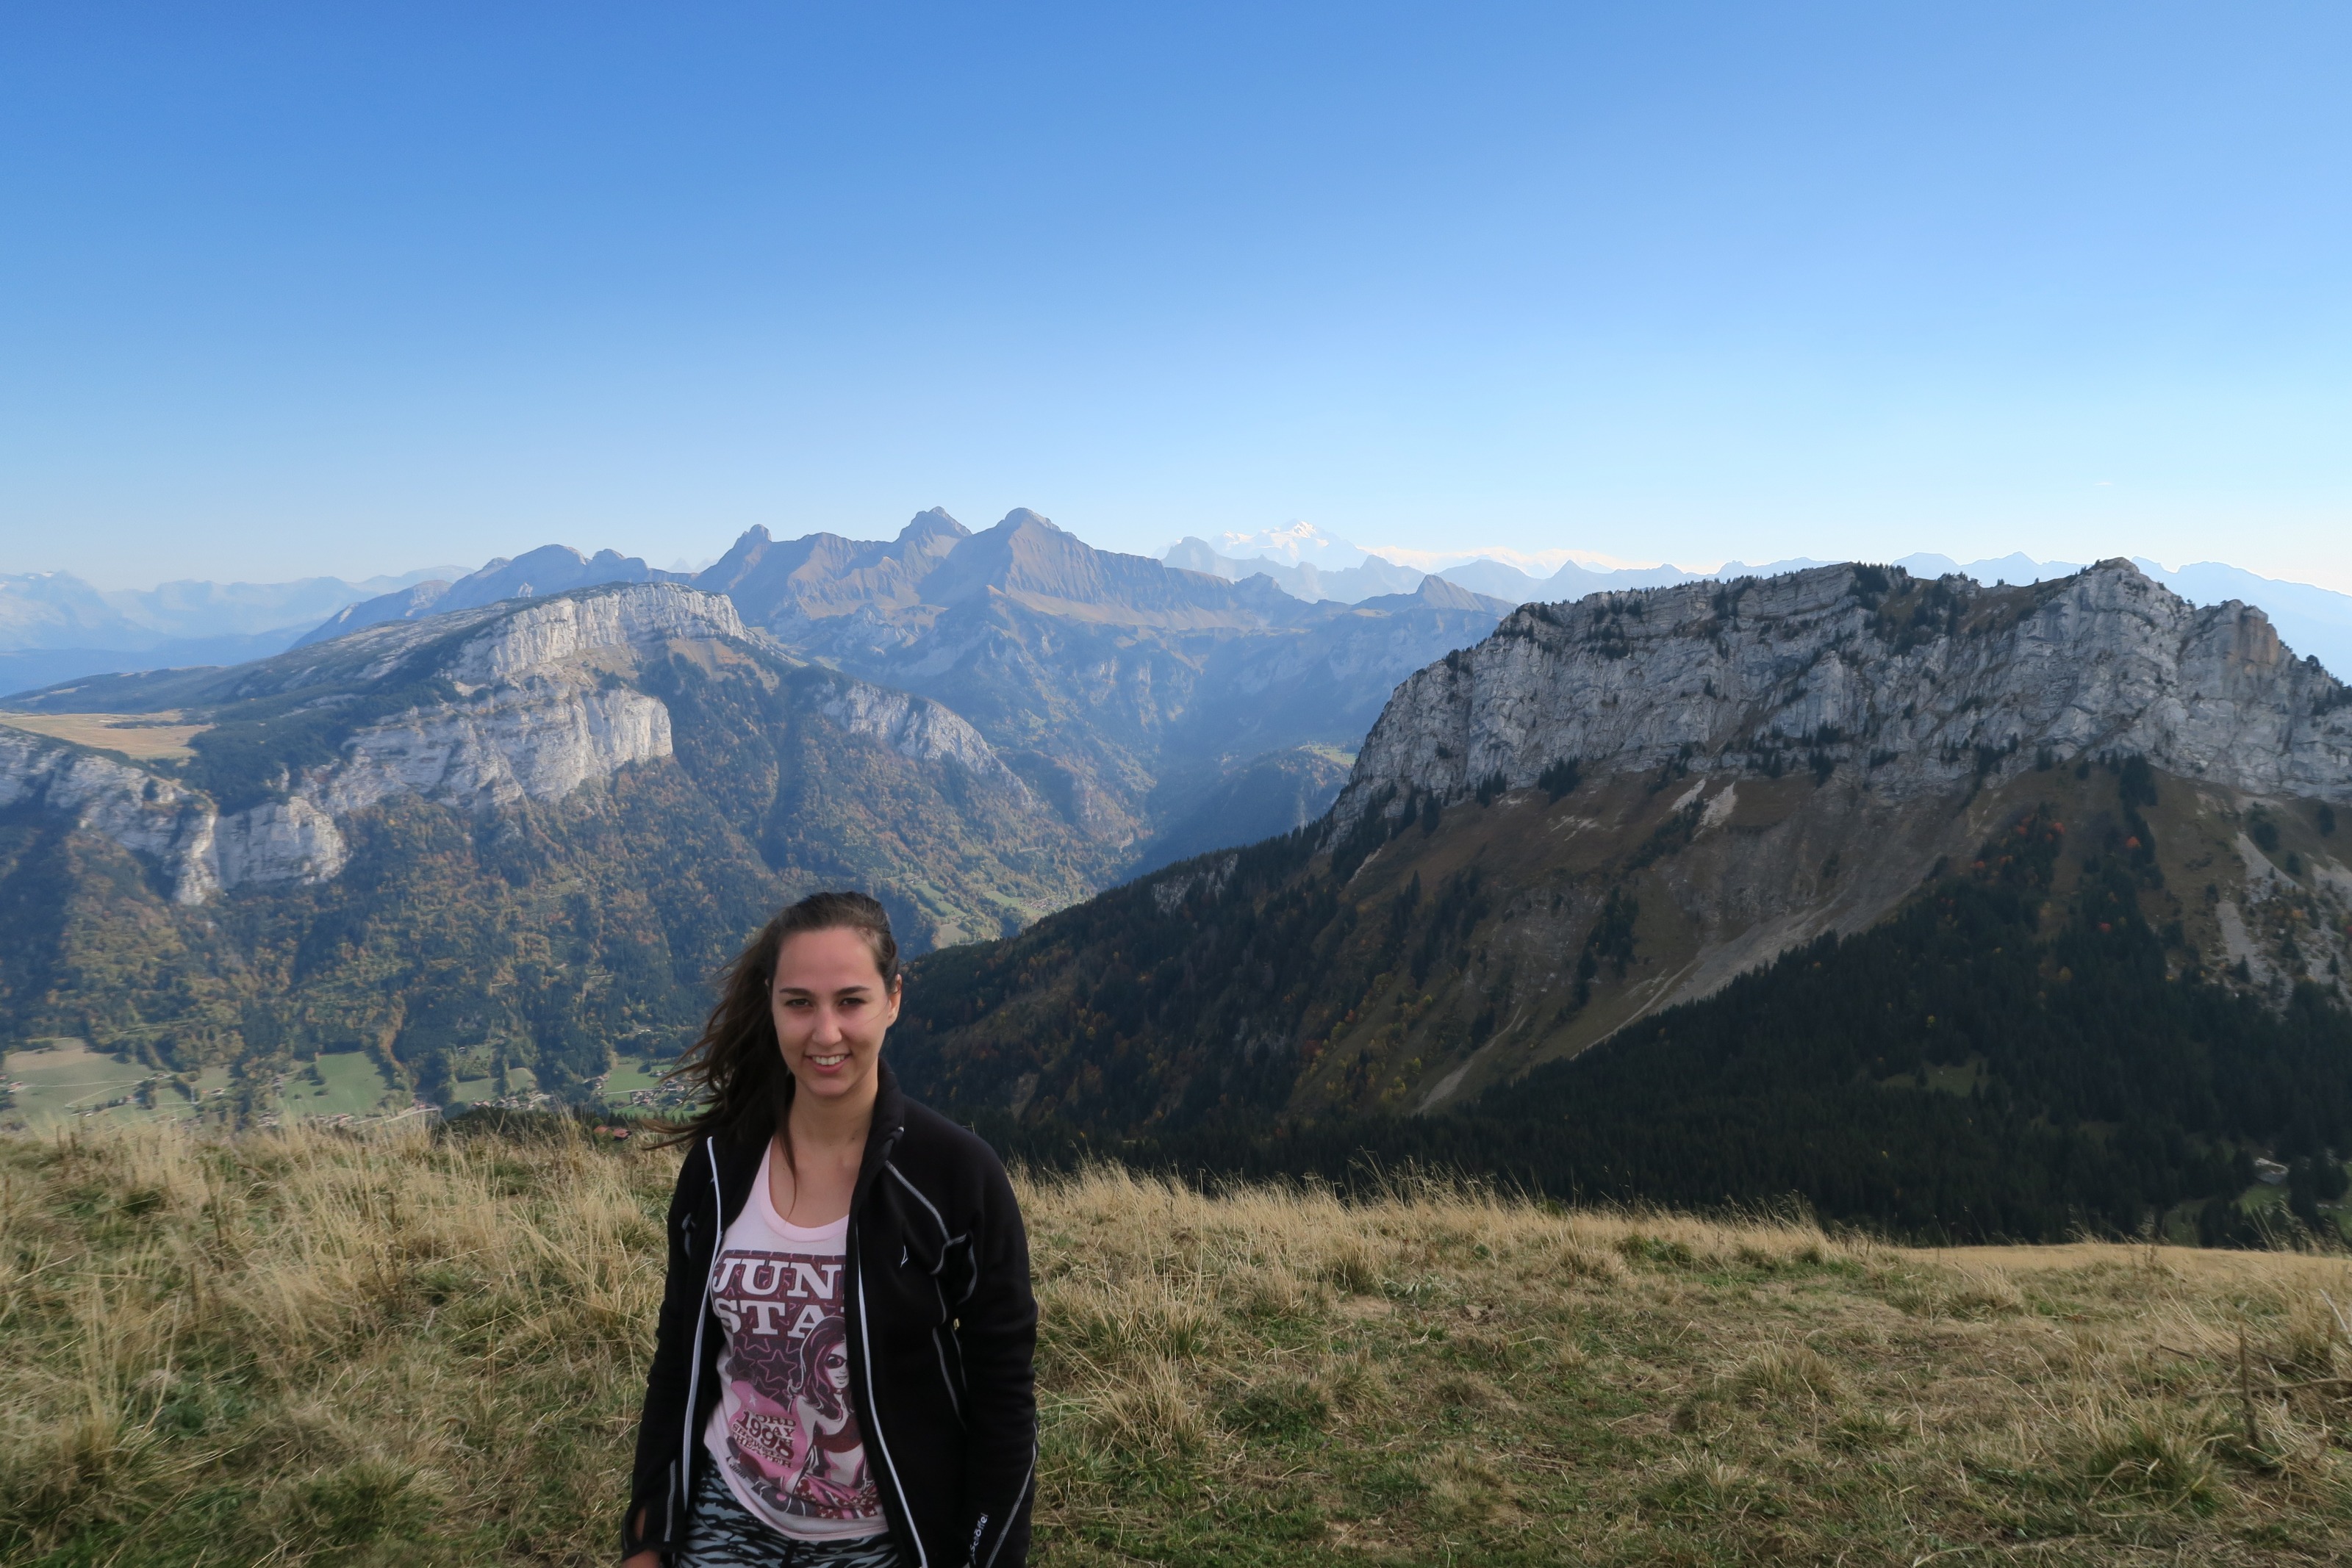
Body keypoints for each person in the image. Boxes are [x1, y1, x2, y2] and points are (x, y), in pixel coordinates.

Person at [620, 891, 1038, 1568]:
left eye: (850, 1001)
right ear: (771, 1003)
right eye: (799, 1003)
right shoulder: (721, 1170)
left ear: (893, 1000)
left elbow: (1004, 1391)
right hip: (731, 1513)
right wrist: (650, 1532)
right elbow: (682, 1357)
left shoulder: (955, 1177)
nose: (825, 1033)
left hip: (883, 1534)